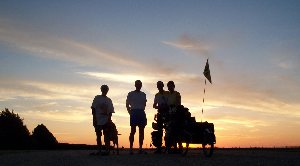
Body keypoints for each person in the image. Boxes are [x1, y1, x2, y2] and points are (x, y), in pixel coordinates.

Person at [91, 85, 114, 155]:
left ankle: (107, 150)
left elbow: (110, 112)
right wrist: (94, 119)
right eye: (103, 89)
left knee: (107, 136)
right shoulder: (97, 98)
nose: (105, 90)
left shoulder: (109, 100)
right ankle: (99, 150)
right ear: (101, 90)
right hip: (98, 120)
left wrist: (109, 120)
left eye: (106, 89)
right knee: (98, 135)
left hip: (106, 121)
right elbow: (93, 109)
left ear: (107, 90)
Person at [126, 80, 147, 154]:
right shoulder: (131, 93)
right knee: (133, 131)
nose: (139, 86)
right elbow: (127, 104)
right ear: (135, 85)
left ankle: (140, 148)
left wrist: (142, 110)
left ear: (141, 85)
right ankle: (131, 148)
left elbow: (144, 104)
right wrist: (130, 112)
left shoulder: (143, 94)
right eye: (137, 84)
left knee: (141, 131)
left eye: (140, 84)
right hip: (134, 112)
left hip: (141, 112)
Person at [166, 81, 183, 152]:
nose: (169, 87)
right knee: (170, 130)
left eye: (171, 86)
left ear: (173, 86)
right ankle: (174, 147)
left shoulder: (177, 94)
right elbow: (167, 104)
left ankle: (180, 147)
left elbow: (178, 102)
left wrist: (174, 105)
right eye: (168, 86)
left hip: (176, 114)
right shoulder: (168, 95)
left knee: (177, 130)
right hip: (170, 114)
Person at [152, 81, 169, 153]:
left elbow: (170, 102)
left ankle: (168, 147)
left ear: (163, 86)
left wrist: (165, 106)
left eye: (160, 85)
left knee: (168, 130)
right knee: (159, 131)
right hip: (160, 113)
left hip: (168, 113)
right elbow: (154, 105)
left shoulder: (167, 93)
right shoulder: (157, 95)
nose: (159, 87)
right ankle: (159, 148)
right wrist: (159, 106)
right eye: (158, 85)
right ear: (157, 87)